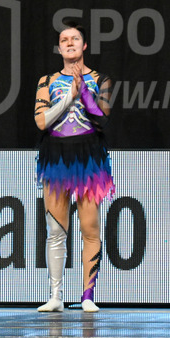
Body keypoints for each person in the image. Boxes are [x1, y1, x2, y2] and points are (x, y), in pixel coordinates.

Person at [34, 22, 114, 313]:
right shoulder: (47, 81)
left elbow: (102, 118)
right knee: (56, 230)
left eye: (75, 39)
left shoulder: (100, 79)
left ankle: (87, 295)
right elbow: (41, 121)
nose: (69, 43)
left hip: (88, 156)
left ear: (85, 45)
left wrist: (84, 93)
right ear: (59, 48)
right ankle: (55, 295)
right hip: (56, 156)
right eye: (64, 39)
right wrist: (69, 95)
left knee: (90, 227)